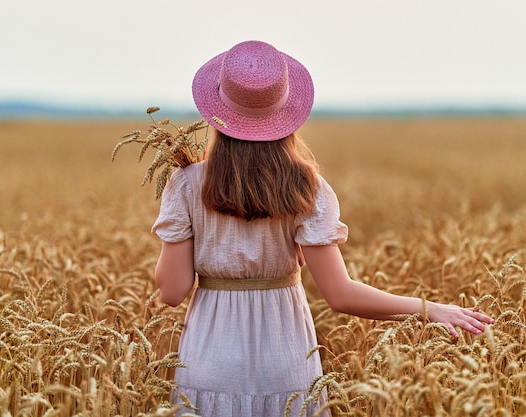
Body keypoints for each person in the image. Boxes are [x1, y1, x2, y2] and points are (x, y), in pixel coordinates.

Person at [151, 40, 494, 417]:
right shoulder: (306, 186)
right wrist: (429, 309)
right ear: (285, 116)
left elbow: (172, 290)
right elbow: (341, 294)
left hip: (210, 361)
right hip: (287, 360)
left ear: (218, 112)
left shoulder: (185, 184)